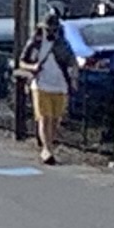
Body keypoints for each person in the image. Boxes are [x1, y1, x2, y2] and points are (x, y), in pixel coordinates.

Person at [26, 19, 73, 164]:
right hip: (41, 85)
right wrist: (33, 67)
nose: (52, 32)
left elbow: (72, 61)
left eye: (54, 29)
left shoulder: (63, 45)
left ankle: (49, 145)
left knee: (54, 120)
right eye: (49, 29)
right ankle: (47, 150)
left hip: (60, 86)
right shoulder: (36, 44)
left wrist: (74, 77)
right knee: (44, 118)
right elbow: (22, 61)